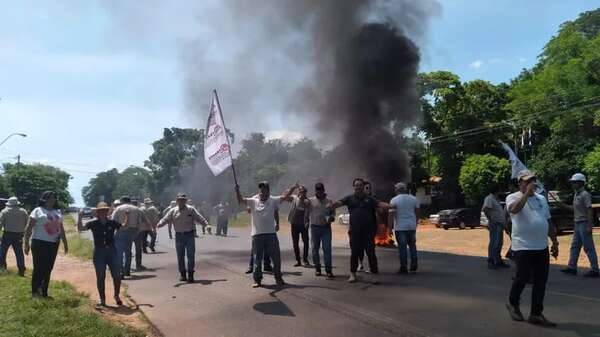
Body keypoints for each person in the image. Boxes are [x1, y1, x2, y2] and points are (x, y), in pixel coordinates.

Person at [505, 170, 558, 327]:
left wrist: (554, 241)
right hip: (522, 246)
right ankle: (513, 304)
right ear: (520, 183)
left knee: (541, 281)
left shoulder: (541, 199)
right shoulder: (512, 197)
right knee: (522, 278)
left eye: (533, 180)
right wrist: (526, 194)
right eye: (527, 181)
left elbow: (548, 221)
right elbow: (514, 210)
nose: (531, 183)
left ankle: (536, 313)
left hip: (541, 246)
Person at [330, 178, 390, 284]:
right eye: (356, 185)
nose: (358, 186)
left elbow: (381, 204)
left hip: (368, 231)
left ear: (363, 186)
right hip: (355, 231)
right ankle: (353, 274)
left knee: (371, 253)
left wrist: (392, 205)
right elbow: (339, 203)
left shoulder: (370, 199)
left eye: (360, 185)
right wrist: (332, 205)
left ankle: (374, 275)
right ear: (354, 187)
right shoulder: (349, 198)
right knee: (354, 253)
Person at [236, 181, 295, 288]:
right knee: (257, 258)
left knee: (276, 257)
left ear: (268, 190)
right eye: (261, 190)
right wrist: (237, 191)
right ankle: (257, 280)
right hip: (257, 235)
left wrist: (292, 188)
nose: (262, 192)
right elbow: (241, 201)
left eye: (264, 189)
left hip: (271, 234)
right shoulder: (253, 201)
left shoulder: (273, 200)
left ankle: (278, 278)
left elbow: (285, 197)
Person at [77, 202, 123, 307]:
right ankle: (102, 299)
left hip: (112, 251)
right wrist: (80, 216)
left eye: (105, 210)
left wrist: (127, 217)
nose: (103, 212)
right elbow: (80, 228)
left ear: (108, 212)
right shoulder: (93, 223)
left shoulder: (112, 223)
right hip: (99, 252)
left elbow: (123, 227)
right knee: (101, 276)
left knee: (117, 275)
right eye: (101, 211)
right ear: (97, 213)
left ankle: (116, 296)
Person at [24, 191, 69, 298]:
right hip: (39, 242)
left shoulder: (57, 212)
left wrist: (65, 243)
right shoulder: (37, 210)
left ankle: (44, 291)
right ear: (44, 199)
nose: (51, 200)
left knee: (48, 268)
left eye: (53, 198)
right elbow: (29, 228)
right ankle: (35, 292)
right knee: (39, 268)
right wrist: (26, 243)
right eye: (49, 198)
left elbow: (61, 228)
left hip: (53, 243)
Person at [158, 193, 210, 282]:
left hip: (189, 235)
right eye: (179, 200)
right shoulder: (173, 211)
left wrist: (206, 225)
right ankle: (183, 274)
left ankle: (190, 274)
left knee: (191, 255)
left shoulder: (191, 209)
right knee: (180, 256)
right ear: (177, 201)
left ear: (185, 201)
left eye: (183, 200)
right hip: (179, 236)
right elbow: (165, 219)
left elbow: (199, 218)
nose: (181, 201)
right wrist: (159, 224)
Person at [560, 173, 599, 278]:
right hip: (577, 223)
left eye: (574, 182)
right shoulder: (576, 194)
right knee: (575, 246)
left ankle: (595, 269)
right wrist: (563, 206)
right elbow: (575, 209)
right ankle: (572, 267)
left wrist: (590, 225)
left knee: (588, 247)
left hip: (584, 222)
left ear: (581, 183)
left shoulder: (585, 195)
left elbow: (589, 210)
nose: (572, 184)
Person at [112, 196, 148, 278]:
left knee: (119, 253)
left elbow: (113, 221)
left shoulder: (118, 209)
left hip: (120, 231)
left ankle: (120, 271)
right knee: (128, 252)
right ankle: (127, 271)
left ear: (122, 201)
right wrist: (136, 233)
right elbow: (140, 223)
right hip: (132, 232)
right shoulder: (136, 209)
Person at [389, 183, 420, 274]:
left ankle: (403, 267)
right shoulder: (414, 199)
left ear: (397, 190)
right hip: (411, 226)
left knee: (402, 248)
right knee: (412, 246)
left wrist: (389, 227)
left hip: (400, 227)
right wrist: (415, 222)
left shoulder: (394, 200)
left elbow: (391, 215)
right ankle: (414, 265)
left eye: (395, 189)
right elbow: (417, 212)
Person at [306, 183, 335, 279]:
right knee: (315, 249)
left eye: (321, 189)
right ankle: (317, 269)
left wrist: (331, 218)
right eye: (317, 189)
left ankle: (328, 270)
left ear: (323, 190)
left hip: (326, 228)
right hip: (314, 228)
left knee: (327, 249)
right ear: (315, 190)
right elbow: (306, 211)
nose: (319, 191)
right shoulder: (310, 201)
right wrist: (306, 221)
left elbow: (333, 213)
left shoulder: (329, 201)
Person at [483, 184, 510, 269]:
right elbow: (486, 209)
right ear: (497, 191)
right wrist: (491, 219)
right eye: (500, 190)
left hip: (499, 224)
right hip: (495, 224)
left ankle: (498, 260)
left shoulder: (495, 199)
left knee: (499, 243)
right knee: (494, 243)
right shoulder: (489, 198)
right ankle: (491, 261)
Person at [0, 197, 29, 276]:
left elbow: (1, 223)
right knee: (19, 252)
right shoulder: (23, 211)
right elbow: (27, 223)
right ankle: (21, 269)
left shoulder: (5, 211)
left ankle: (2, 267)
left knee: (3, 251)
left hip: (7, 234)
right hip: (19, 234)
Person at [283, 185, 311, 267]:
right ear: (298, 191)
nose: (301, 192)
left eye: (303, 191)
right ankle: (298, 260)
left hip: (303, 225)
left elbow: (307, 208)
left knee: (306, 242)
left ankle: (305, 260)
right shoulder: (294, 198)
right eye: (300, 191)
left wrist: (302, 199)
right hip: (294, 224)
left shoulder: (307, 201)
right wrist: (293, 187)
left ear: (306, 193)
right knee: (295, 243)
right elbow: (286, 196)